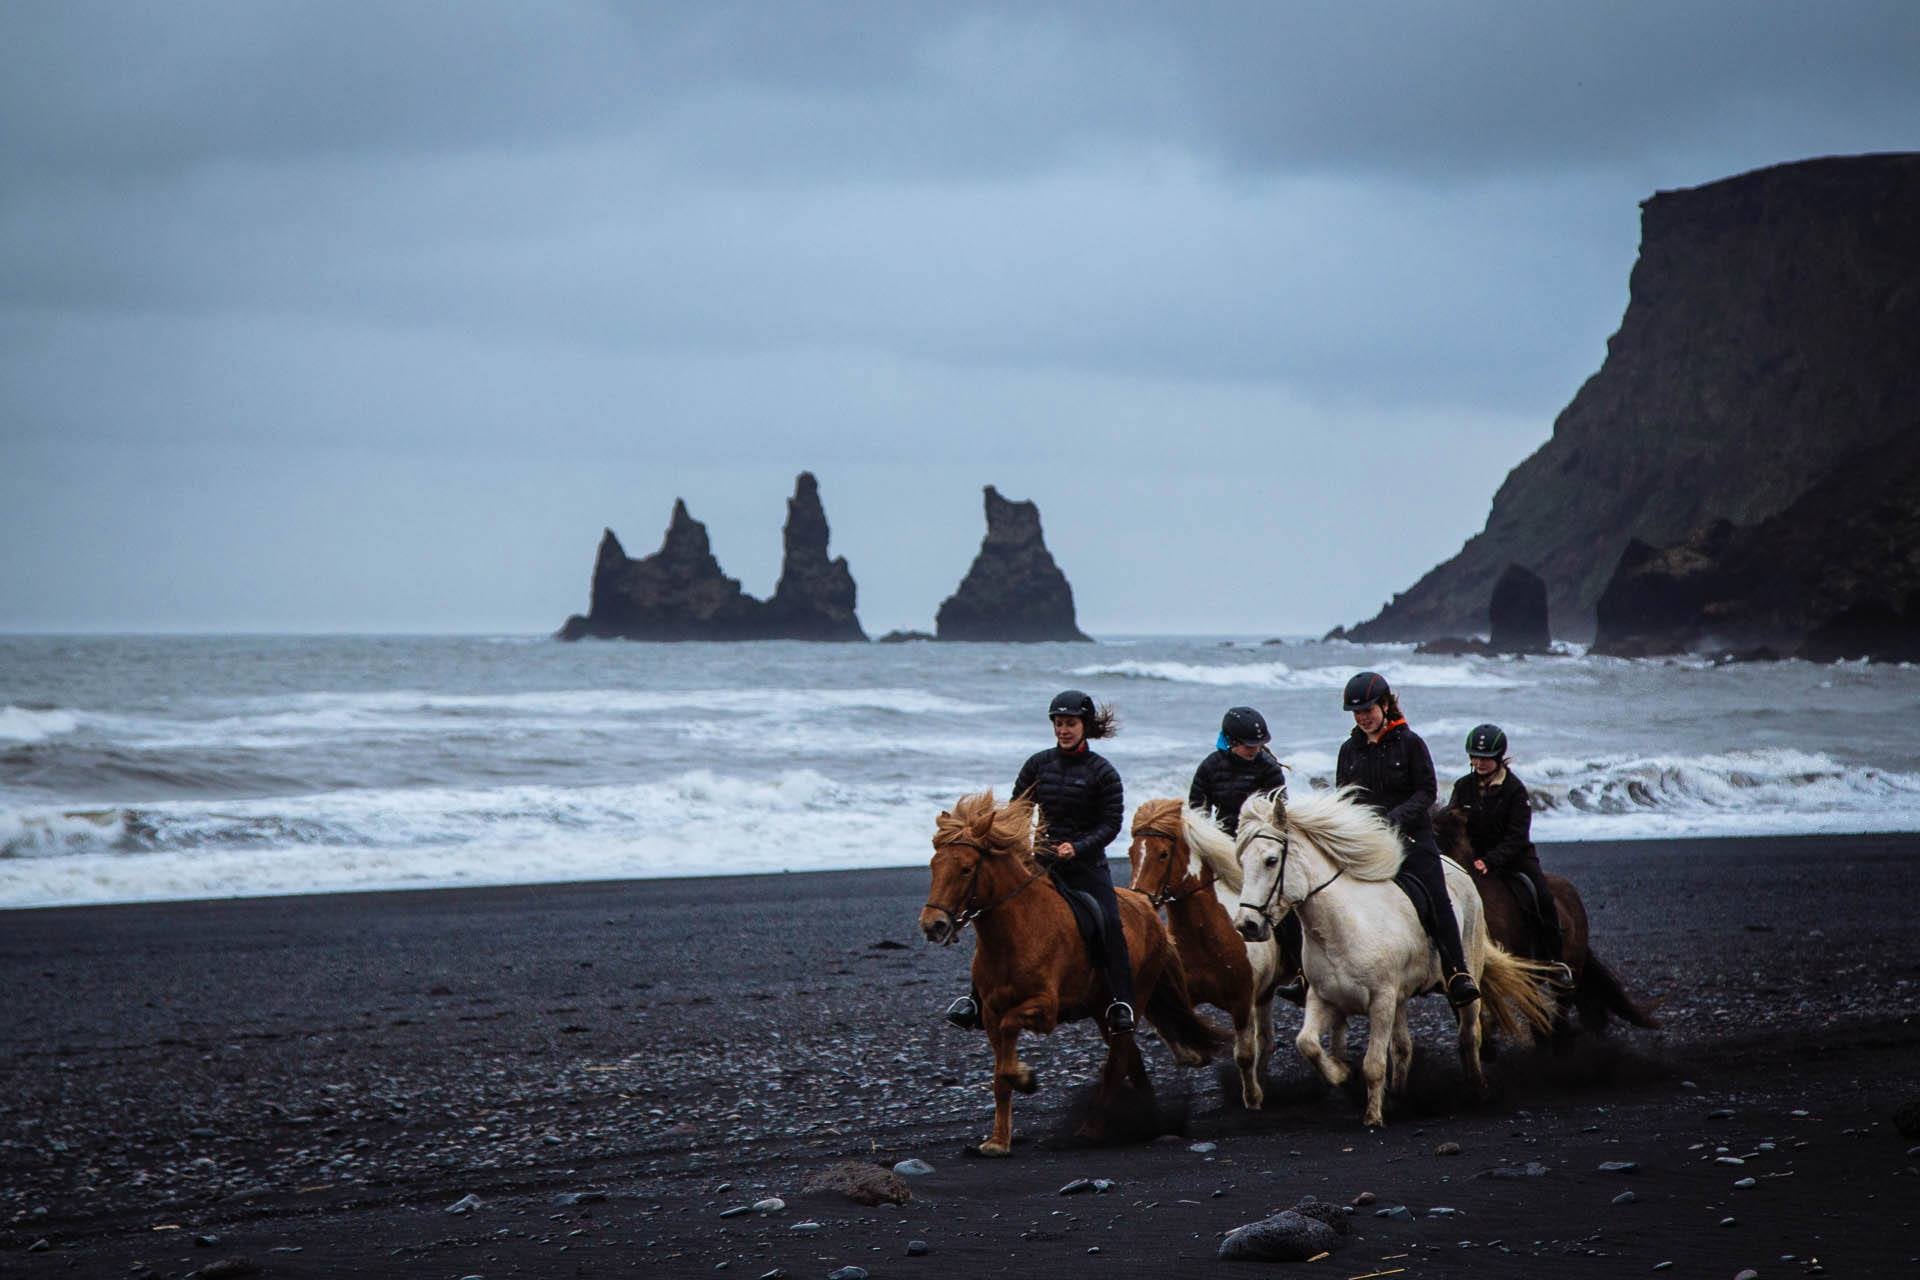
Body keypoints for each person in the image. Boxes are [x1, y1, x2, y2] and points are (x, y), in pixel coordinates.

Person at [946, 690, 1135, 1034]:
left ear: (1085, 726)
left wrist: (1077, 847)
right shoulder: (1038, 764)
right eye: (1059, 724)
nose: (1064, 730)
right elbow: (1018, 810)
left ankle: (1121, 1002)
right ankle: (975, 998)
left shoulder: (1103, 772)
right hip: (1042, 863)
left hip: (1087, 866)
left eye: (1071, 724)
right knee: (993, 915)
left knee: (1109, 922)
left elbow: (1111, 824)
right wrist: (1016, 848)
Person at [1335, 671, 1481, 1007]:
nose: (1363, 718)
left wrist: (1395, 818)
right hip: (1368, 842)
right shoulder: (1349, 750)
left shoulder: (1411, 743)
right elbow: (1343, 795)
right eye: (1357, 713)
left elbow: (1427, 791)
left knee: (1437, 894)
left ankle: (1457, 971)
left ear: (1385, 705)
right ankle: (1309, 974)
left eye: (1368, 710)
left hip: (1412, 839)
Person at [1188, 706, 1306, 1004]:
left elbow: (1278, 812)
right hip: (1222, 845)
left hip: (1259, 846)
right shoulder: (1209, 767)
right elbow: (1197, 814)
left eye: (1257, 745)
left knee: (1289, 905)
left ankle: (1300, 970)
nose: (1253, 750)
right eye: (1247, 745)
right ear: (1230, 740)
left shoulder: (1268, 767)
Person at [1447, 723, 1569, 979]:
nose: (1479, 763)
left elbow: (1517, 836)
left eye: (1486, 758)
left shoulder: (1515, 790)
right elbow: (1453, 822)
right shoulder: (1463, 787)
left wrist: (1491, 861)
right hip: (1474, 857)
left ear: (1499, 758)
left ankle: (1556, 961)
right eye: (1475, 757)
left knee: (1543, 897)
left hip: (1514, 859)